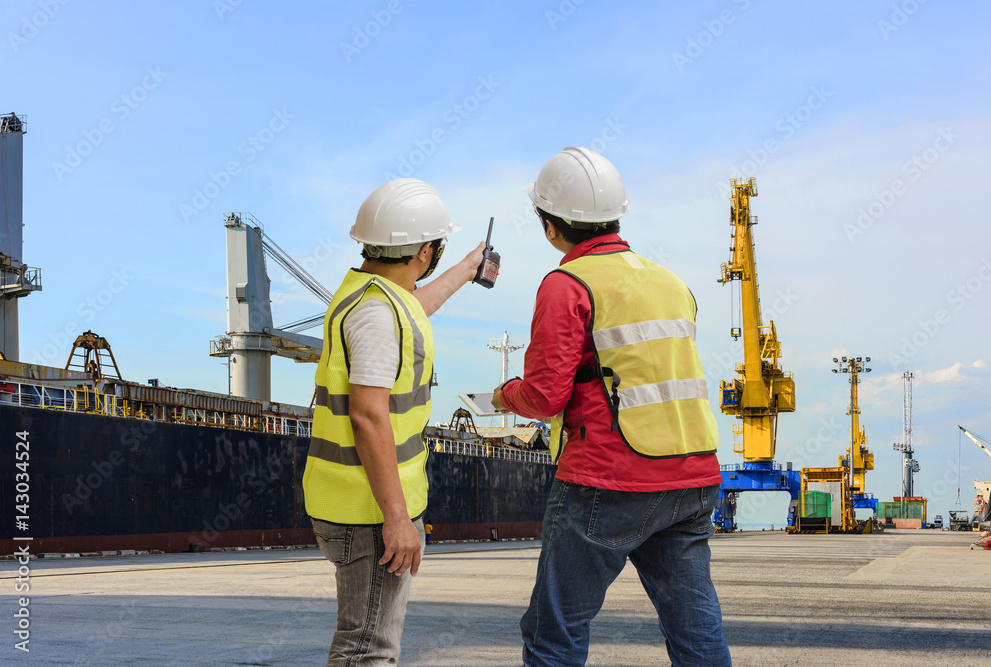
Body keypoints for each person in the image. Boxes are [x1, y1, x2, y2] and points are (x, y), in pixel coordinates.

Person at [492, 147, 730, 667]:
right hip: (692, 477)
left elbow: (544, 396)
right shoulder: (671, 282)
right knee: (694, 627)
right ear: (616, 215)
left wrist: (500, 395)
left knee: (555, 631)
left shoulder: (567, 285)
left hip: (608, 480)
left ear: (548, 224)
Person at [304, 178, 485, 666]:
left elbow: (413, 307)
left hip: (354, 501)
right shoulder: (379, 315)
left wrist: (467, 271)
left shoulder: (372, 295)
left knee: (365, 641)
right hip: (369, 510)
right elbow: (367, 416)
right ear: (426, 250)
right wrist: (398, 519)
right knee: (368, 649)